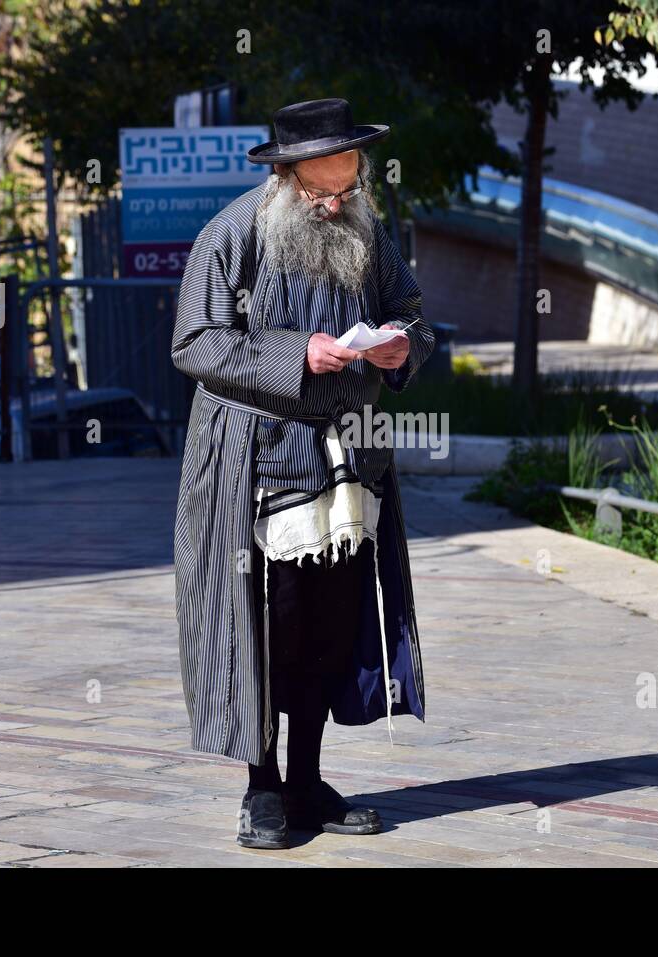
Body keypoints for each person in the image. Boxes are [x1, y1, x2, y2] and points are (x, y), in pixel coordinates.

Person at [169, 98, 436, 850]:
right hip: (257, 463)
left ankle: (307, 779)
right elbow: (194, 343)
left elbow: (412, 312)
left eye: (347, 189)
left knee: (329, 625)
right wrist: (298, 355)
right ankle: (261, 787)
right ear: (286, 179)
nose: (336, 204)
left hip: (349, 459)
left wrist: (399, 347)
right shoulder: (231, 234)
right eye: (322, 193)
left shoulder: (365, 230)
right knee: (267, 630)